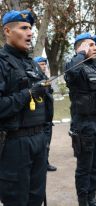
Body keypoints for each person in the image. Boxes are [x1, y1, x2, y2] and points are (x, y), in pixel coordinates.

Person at [0, 10, 49, 205]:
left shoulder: (33, 65)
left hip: (39, 140)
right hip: (14, 143)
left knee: (36, 198)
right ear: (7, 31)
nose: (30, 33)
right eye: (24, 28)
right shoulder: (2, 63)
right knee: (17, 200)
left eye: (31, 28)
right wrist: (28, 94)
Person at [64, 32, 96, 206]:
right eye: (90, 44)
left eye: (95, 45)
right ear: (80, 47)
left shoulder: (94, 67)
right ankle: (83, 202)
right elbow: (70, 74)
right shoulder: (76, 66)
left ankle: (91, 198)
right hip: (84, 125)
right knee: (84, 167)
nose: (95, 47)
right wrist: (80, 53)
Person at [34, 56, 57, 172]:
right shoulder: (35, 78)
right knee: (41, 144)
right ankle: (41, 164)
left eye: (44, 64)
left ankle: (45, 162)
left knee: (47, 143)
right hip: (40, 118)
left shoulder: (46, 78)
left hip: (48, 117)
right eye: (41, 64)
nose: (43, 66)